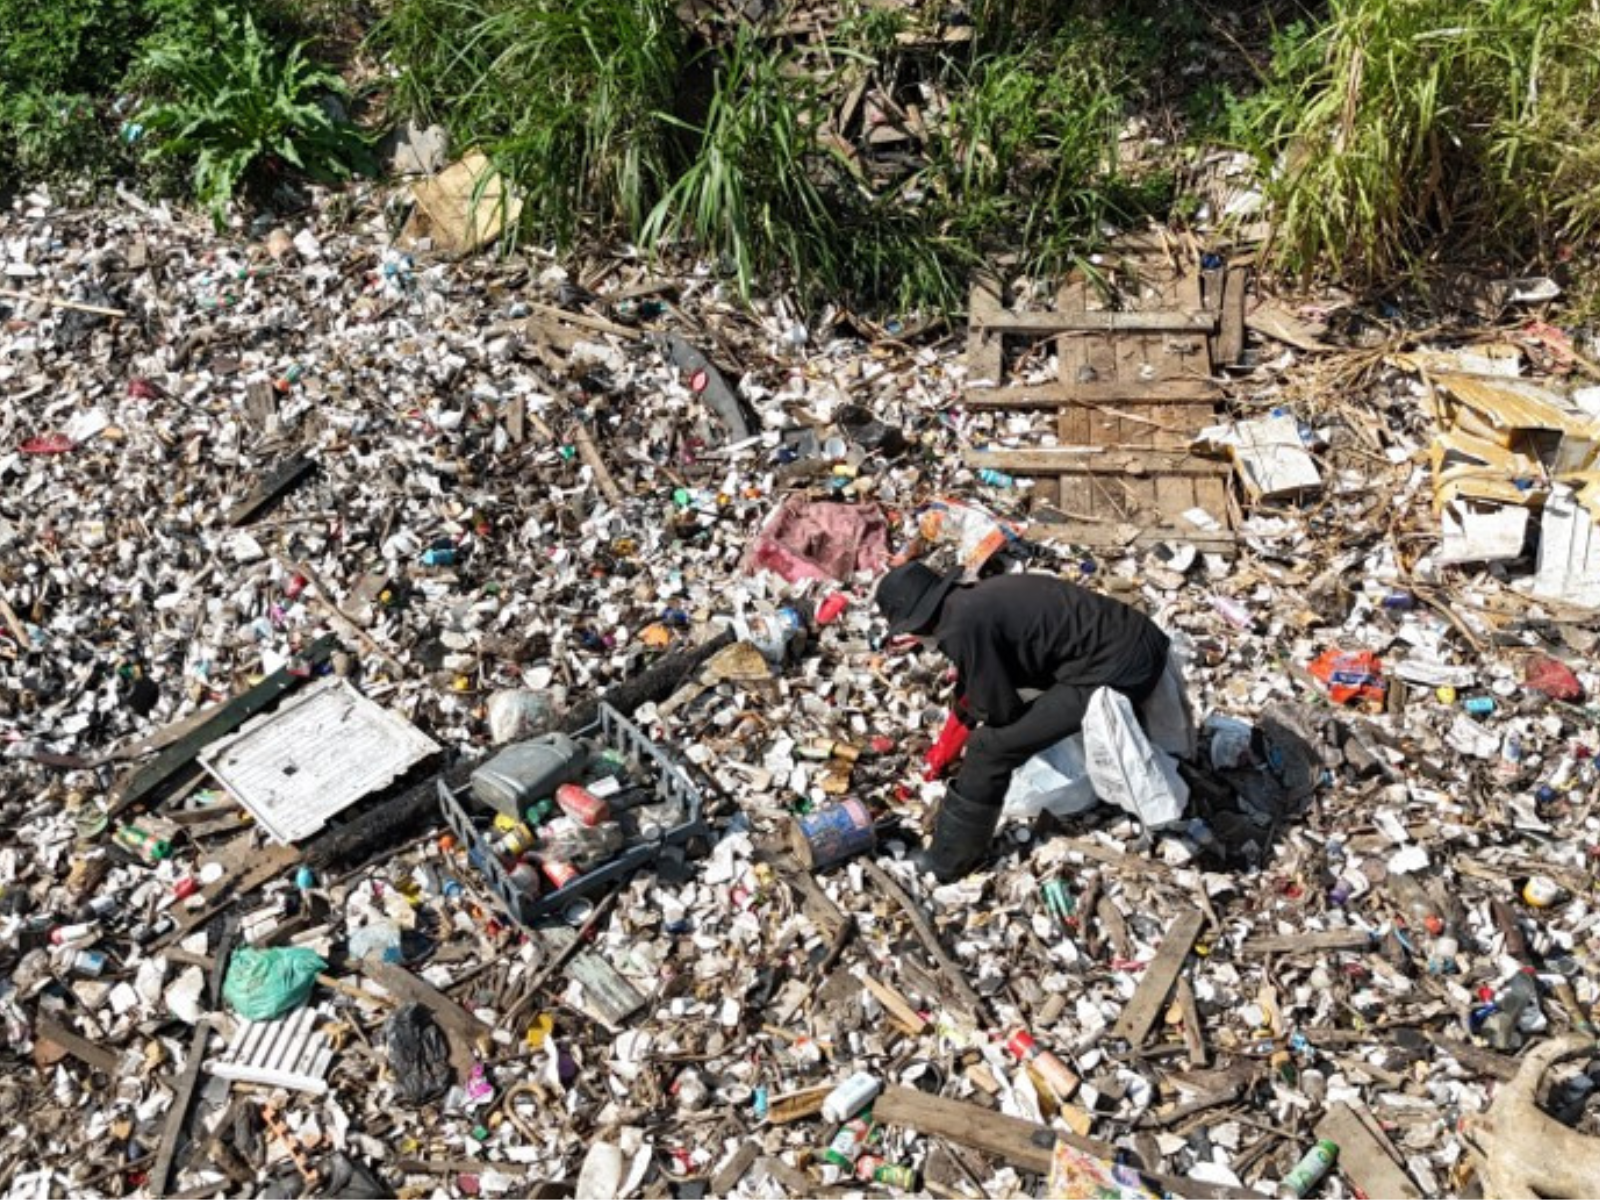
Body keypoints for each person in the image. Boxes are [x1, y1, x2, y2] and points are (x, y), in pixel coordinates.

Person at [875, 561, 1171, 881]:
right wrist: (952, 734)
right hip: (1138, 639)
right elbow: (984, 679)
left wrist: (974, 730)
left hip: (1119, 668)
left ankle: (949, 861)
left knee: (989, 749)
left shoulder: (958, 627)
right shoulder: (973, 600)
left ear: (915, 622)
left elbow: (1000, 711)